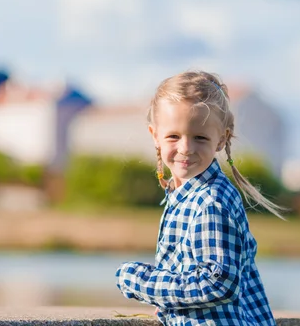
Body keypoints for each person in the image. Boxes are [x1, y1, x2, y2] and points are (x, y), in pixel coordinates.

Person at [115, 70, 283, 326]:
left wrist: (140, 281)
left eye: (200, 137)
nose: (186, 148)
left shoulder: (211, 201)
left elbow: (217, 283)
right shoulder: (184, 196)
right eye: (173, 136)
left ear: (221, 139)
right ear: (155, 136)